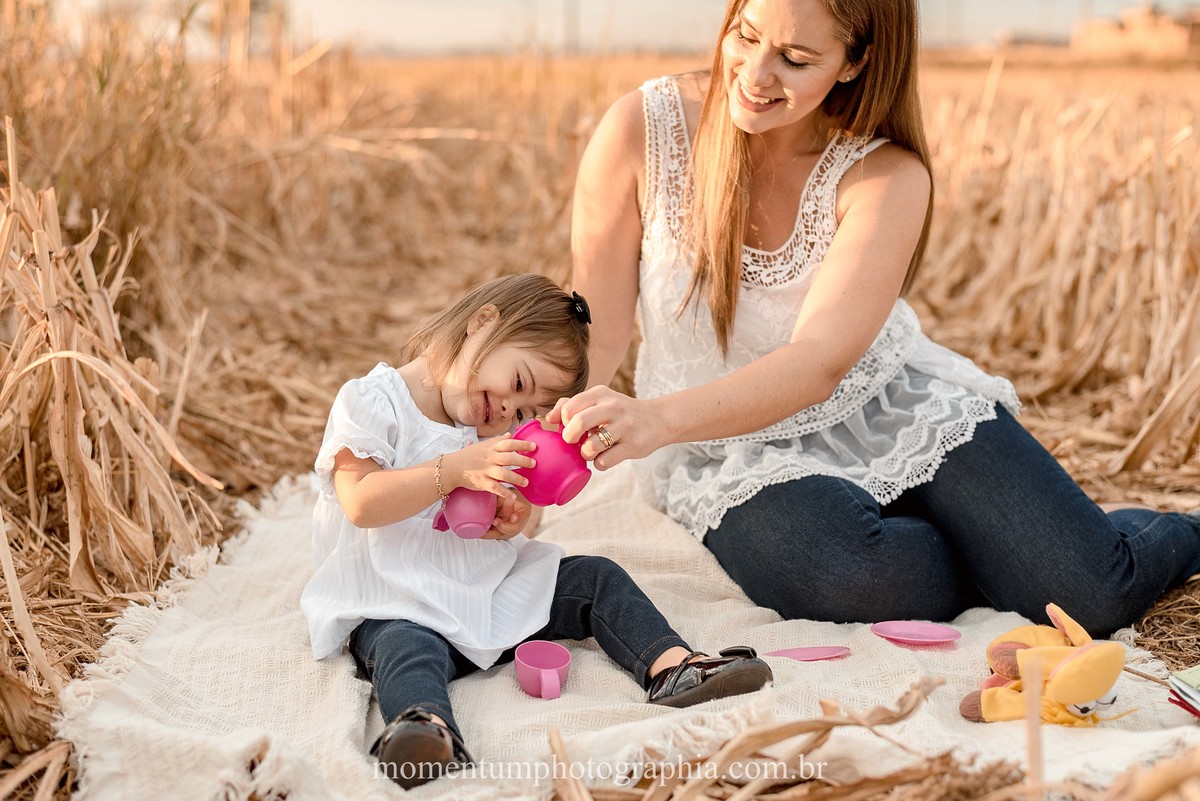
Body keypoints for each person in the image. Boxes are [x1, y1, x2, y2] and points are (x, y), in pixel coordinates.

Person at [549, 0, 1200, 638]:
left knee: (1091, 591)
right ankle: (1001, 551)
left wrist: (656, 418)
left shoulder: (886, 173)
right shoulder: (643, 127)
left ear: (855, 62)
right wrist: (538, 457)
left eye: (796, 58)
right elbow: (595, 332)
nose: (754, 74)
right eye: (745, 35)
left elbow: (820, 361)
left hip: (885, 404)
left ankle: (1153, 533)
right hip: (725, 442)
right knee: (834, 571)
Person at [299, 273, 773, 790]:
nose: (508, 412)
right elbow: (362, 502)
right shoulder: (373, 402)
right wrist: (454, 470)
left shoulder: (490, 431)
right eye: (518, 384)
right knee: (405, 648)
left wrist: (507, 524)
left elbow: (491, 512)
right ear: (483, 324)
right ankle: (425, 728)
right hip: (397, 598)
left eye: (526, 412)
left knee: (596, 577)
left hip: (484, 593)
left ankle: (674, 666)